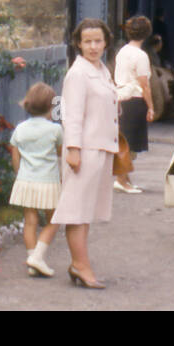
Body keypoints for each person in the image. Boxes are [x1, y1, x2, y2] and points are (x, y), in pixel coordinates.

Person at [51, 18, 120, 288]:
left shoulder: (101, 70)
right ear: (78, 43)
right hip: (84, 150)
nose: (93, 46)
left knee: (85, 211)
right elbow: (71, 115)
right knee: (76, 211)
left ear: (106, 42)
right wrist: (73, 150)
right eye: (87, 41)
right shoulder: (78, 73)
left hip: (100, 148)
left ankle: (79, 264)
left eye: (98, 41)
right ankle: (81, 265)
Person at [8, 82, 64, 277]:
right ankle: (38, 256)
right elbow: (60, 152)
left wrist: (19, 175)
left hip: (25, 180)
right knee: (54, 219)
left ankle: (33, 261)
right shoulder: (55, 130)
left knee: (30, 221)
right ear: (51, 107)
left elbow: (15, 156)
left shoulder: (20, 128)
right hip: (47, 181)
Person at [113, 15, 155, 192]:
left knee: (124, 140)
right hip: (135, 99)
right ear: (147, 34)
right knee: (130, 143)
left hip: (121, 96)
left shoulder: (122, 51)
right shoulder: (141, 56)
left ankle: (125, 180)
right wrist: (151, 107)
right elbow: (144, 84)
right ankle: (121, 181)